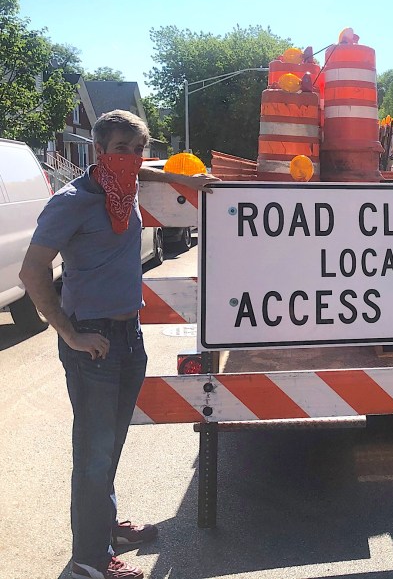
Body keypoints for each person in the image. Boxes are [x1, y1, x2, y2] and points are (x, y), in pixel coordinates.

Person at [19, 110, 218, 579]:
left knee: (111, 443)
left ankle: (105, 526)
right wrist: (70, 333)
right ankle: (90, 558)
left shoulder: (124, 189)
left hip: (129, 337)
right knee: (93, 451)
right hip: (93, 341)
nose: (128, 158)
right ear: (97, 150)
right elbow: (32, 272)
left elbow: (139, 170)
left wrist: (188, 181)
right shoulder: (72, 200)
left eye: (135, 150)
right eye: (118, 149)